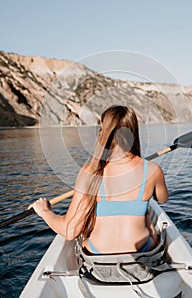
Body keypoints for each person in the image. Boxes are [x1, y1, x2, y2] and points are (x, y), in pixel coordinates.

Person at [29, 105, 168, 254]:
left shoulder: (90, 172)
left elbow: (70, 231)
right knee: (151, 226)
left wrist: (45, 212)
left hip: (98, 255)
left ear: (103, 132)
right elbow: (162, 199)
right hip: (141, 251)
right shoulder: (152, 170)